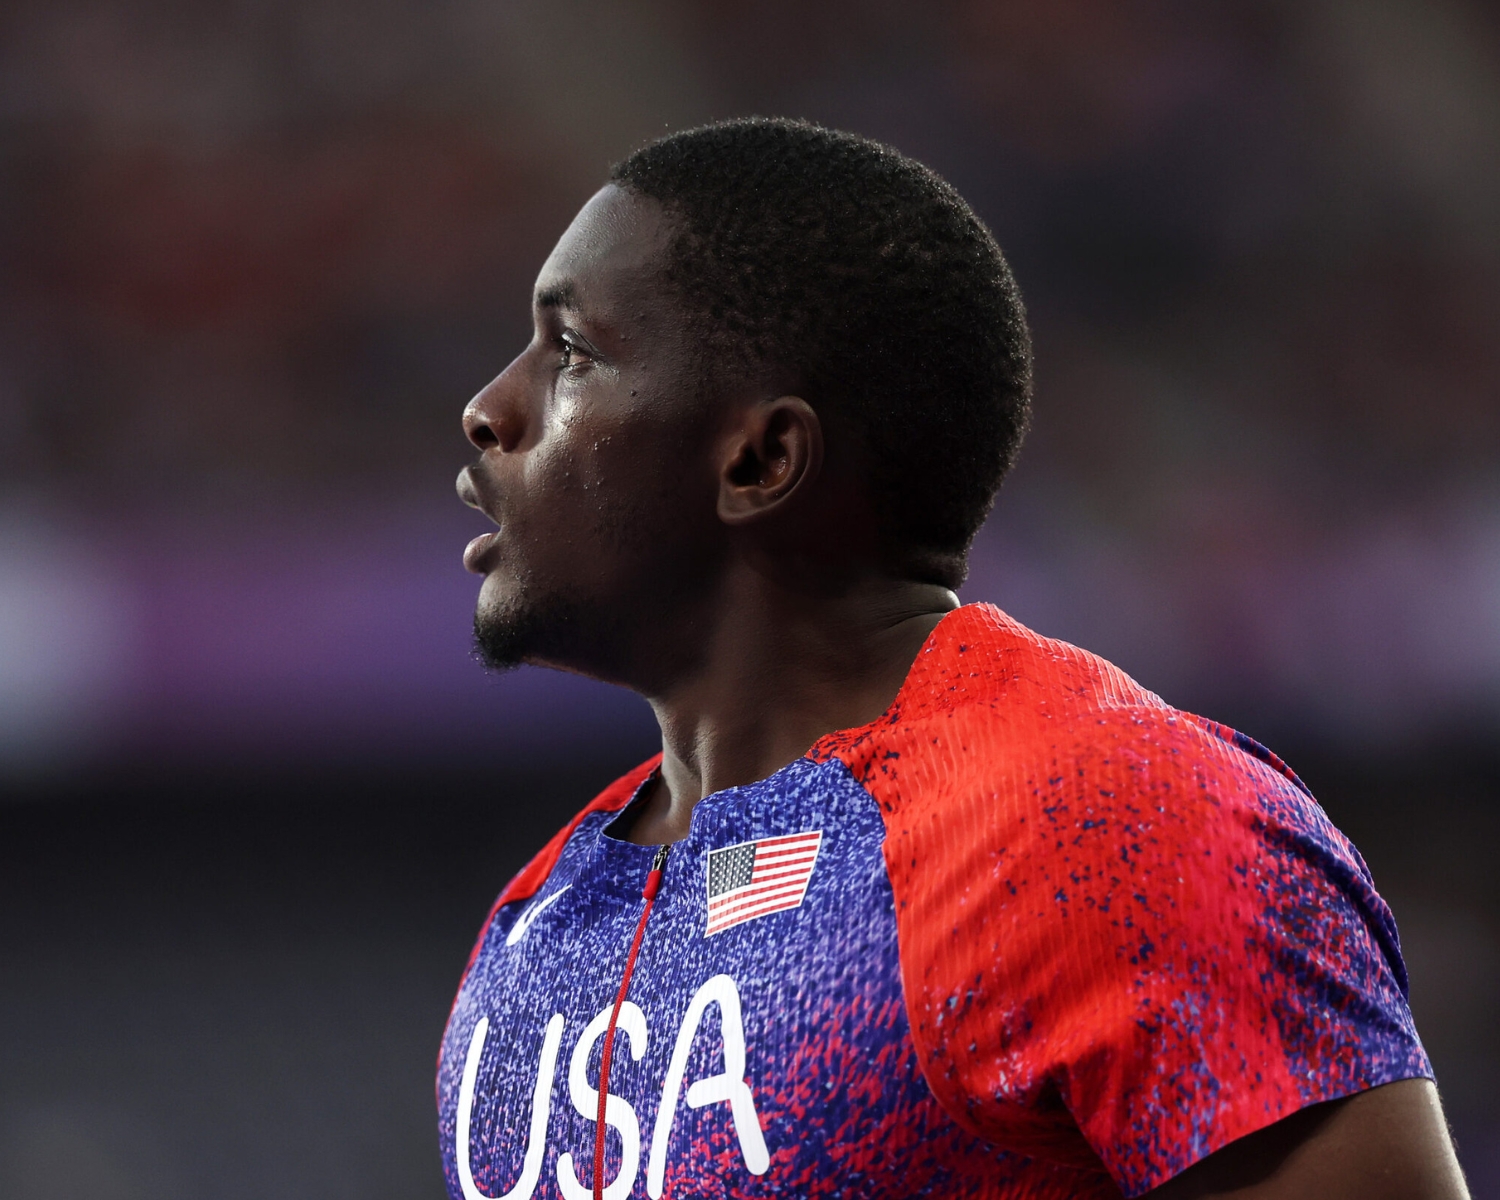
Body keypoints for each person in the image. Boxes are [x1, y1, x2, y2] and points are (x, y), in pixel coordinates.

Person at [441, 118, 1468, 1200]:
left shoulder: (1107, 823)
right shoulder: (543, 916)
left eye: (572, 355)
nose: (487, 409)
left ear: (761, 457)